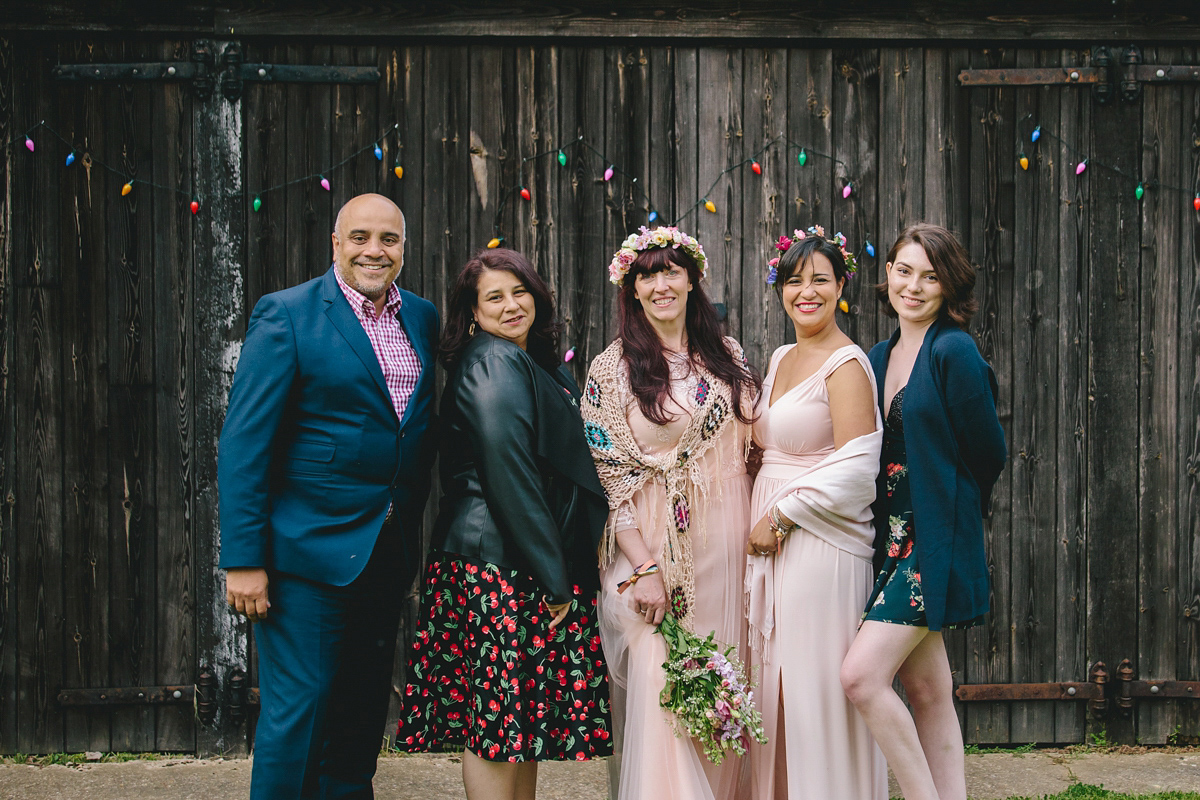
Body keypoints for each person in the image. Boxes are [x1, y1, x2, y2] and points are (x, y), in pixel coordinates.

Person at [218, 193, 439, 798]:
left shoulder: (420, 317)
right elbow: (244, 443)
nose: (375, 250)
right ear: (336, 244)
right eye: (360, 237)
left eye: (388, 239)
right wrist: (243, 559)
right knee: (301, 712)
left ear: (403, 247)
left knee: (361, 711)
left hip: (384, 551)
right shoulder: (286, 316)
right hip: (304, 556)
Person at [394, 248, 612, 800]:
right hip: (499, 563)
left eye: (520, 292)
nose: (512, 305)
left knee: (519, 721)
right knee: (497, 723)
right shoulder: (492, 362)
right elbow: (509, 473)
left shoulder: (525, 359)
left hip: (513, 561)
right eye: (494, 297)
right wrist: (553, 573)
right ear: (472, 312)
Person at [582, 226, 760, 800]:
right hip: (652, 548)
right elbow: (614, 477)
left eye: (671, 271)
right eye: (647, 275)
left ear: (691, 279)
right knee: (662, 686)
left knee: (719, 688)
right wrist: (643, 568)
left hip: (725, 540)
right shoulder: (610, 370)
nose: (660, 284)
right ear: (632, 289)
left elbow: (753, 443)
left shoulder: (726, 355)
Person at [840, 223, 1007, 800]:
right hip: (886, 542)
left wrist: (949, 515)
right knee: (931, 692)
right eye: (904, 270)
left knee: (861, 678)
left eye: (929, 276)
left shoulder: (953, 350)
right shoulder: (876, 356)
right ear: (886, 273)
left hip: (931, 541)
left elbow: (989, 452)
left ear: (948, 285)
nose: (913, 286)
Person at [743, 227, 888, 800]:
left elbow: (859, 469)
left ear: (840, 287)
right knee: (772, 680)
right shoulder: (780, 357)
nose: (806, 291)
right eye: (795, 280)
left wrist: (782, 518)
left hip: (817, 539)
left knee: (811, 684)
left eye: (820, 280)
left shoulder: (847, 363)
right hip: (772, 533)